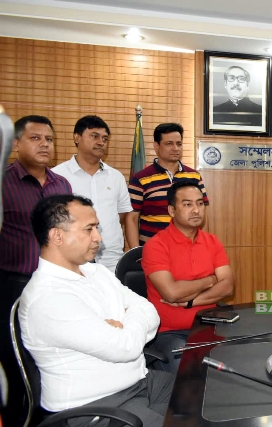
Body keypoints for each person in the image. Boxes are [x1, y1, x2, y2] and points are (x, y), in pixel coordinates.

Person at [19, 194, 173, 426]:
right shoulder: (47, 297)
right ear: (57, 236)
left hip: (140, 383)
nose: (98, 237)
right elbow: (126, 347)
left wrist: (124, 325)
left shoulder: (96, 272)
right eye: (88, 229)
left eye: (96, 228)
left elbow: (148, 310)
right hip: (97, 405)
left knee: (204, 395)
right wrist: (128, 326)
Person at [0, 115, 71, 426]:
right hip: (14, 287)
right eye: (36, 138)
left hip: (56, 288)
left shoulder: (62, 184)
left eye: (49, 139)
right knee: (17, 364)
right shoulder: (4, 182)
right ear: (16, 143)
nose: (45, 144)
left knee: (54, 360)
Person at [142, 180, 234, 372]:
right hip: (169, 333)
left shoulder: (212, 242)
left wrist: (191, 302)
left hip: (209, 326)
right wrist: (210, 280)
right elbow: (172, 293)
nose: (196, 210)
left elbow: (227, 286)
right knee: (187, 369)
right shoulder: (156, 246)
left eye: (200, 203)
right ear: (171, 210)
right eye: (187, 204)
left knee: (237, 363)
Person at [53, 115, 133, 272]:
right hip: (72, 259)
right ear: (77, 137)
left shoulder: (116, 177)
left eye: (104, 138)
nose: (101, 142)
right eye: (94, 136)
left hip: (111, 259)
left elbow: (122, 215)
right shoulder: (57, 176)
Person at [127, 123, 208, 246]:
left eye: (179, 144)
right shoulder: (140, 179)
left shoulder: (194, 176)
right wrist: (136, 253)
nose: (175, 148)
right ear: (156, 146)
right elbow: (132, 218)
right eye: (169, 144)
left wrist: (203, 247)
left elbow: (203, 214)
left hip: (188, 249)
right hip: (153, 249)